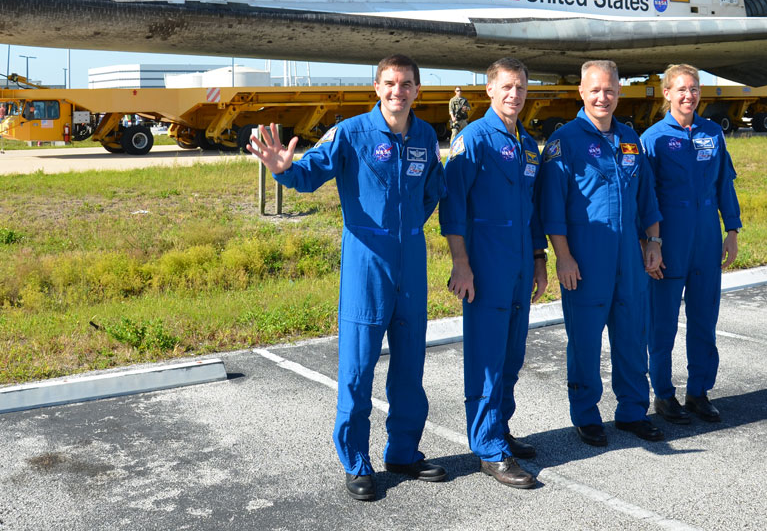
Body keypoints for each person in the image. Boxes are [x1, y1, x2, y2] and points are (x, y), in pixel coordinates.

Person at [248, 55, 446, 503]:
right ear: (377, 87)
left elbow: (434, 189)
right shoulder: (351, 133)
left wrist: (411, 227)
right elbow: (309, 172)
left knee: (410, 365)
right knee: (357, 369)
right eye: (390, 83)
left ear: (417, 90)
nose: (398, 91)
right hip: (366, 261)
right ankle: (357, 462)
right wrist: (283, 169)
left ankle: (402, 452)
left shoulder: (426, 135)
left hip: (411, 260)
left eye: (407, 84)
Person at [539, 59, 663, 447]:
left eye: (609, 90)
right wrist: (563, 256)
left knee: (631, 336)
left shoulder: (630, 138)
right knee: (586, 341)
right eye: (594, 90)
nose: (602, 97)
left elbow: (646, 198)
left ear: (619, 92)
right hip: (585, 259)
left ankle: (632, 412)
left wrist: (654, 242)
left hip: (629, 257)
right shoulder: (565, 142)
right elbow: (552, 207)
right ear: (581, 92)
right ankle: (586, 415)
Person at [440, 58, 546, 490]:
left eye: (520, 87)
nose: (514, 95)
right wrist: (460, 264)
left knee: (512, 355)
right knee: (486, 357)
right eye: (506, 87)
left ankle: (499, 428)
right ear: (489, 91)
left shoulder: (529, 145)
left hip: (521, 262)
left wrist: (539, 259)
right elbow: (453, 207)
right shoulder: (473, 139)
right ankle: (487, 448)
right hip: (485, 264)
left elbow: (533, 209)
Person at [641, 64, 742, 426]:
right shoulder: (652, 139)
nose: (689, 95)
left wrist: (731, 229)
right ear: (667, 93)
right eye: (681, 89)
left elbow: (723, 184)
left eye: (694, 88)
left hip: (706, 240)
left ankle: (699, 391)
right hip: (669, 242)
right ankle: (663, 394)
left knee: (704, 318)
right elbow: (645, 196)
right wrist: (649, 243)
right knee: (663, 323)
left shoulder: (713, 133)